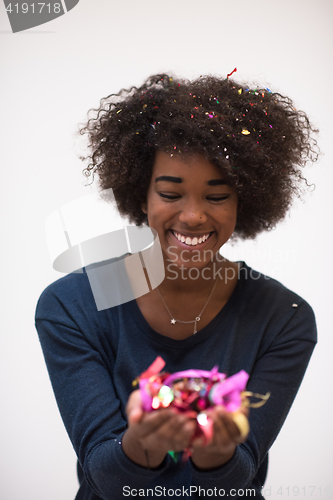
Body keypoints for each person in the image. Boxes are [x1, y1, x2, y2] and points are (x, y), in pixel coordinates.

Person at [35, 73, 319, 499]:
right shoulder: (76, 304)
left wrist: (216, 452)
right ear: (142, 195)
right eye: (170, 193)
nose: (192, 217)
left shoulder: (282, 318)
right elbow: (107, 478)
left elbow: (237, 479)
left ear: (246, 200)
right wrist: (141, 445)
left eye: (217, 197)